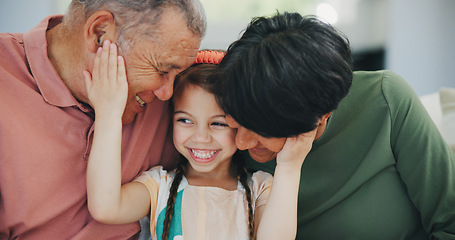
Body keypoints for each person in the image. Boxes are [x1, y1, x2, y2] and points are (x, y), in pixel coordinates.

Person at [210, 12, 455, 239]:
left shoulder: (386, 100)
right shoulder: (222, 132)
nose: (240, 142)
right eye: (234, 120)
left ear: (321, 116)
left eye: (261, 131)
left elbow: (449, 223)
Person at [0, 0, 206, 239]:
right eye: (161, 70)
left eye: (177, 74)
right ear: (100, 33)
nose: (168, 93)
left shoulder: (182, 107)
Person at [84, 48, 313, 240]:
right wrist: (108, 115)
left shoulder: (259, 188)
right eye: (185, 120)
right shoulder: (159, 186)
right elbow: (106, 207)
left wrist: (290, 166)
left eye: (218, 124)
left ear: (243, 125)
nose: (201, 137)